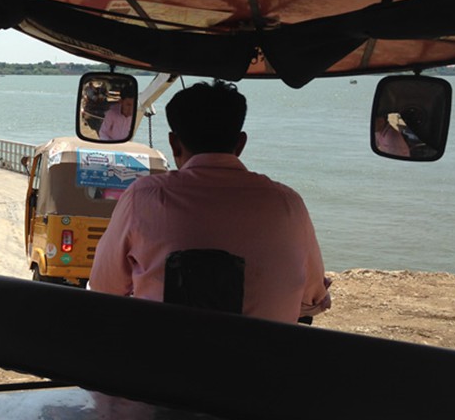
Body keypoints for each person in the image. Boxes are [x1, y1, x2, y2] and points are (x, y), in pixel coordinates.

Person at [89, 80, 331, 324]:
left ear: (174, 143)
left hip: (159, 358)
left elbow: (103, 286)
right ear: (240, 143)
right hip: (263, 359)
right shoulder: (288, 204)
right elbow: (313, 299)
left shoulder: (142, 197)